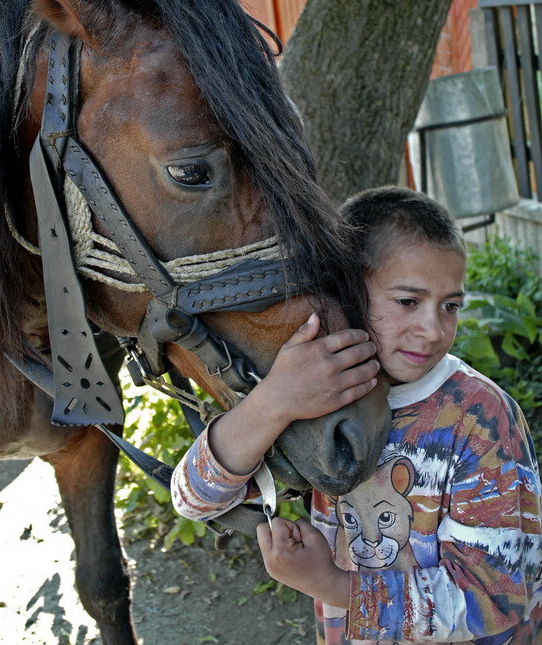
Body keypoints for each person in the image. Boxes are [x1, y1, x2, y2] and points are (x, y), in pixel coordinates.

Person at [171, 186, 542, 644]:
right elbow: (196, 501)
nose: (432, 329)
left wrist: (332, 585)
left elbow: (496, 600)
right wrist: (274, 402)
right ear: (346, 289)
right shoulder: (322, 397)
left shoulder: (480, 418)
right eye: (408, 301)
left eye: (450, 306)